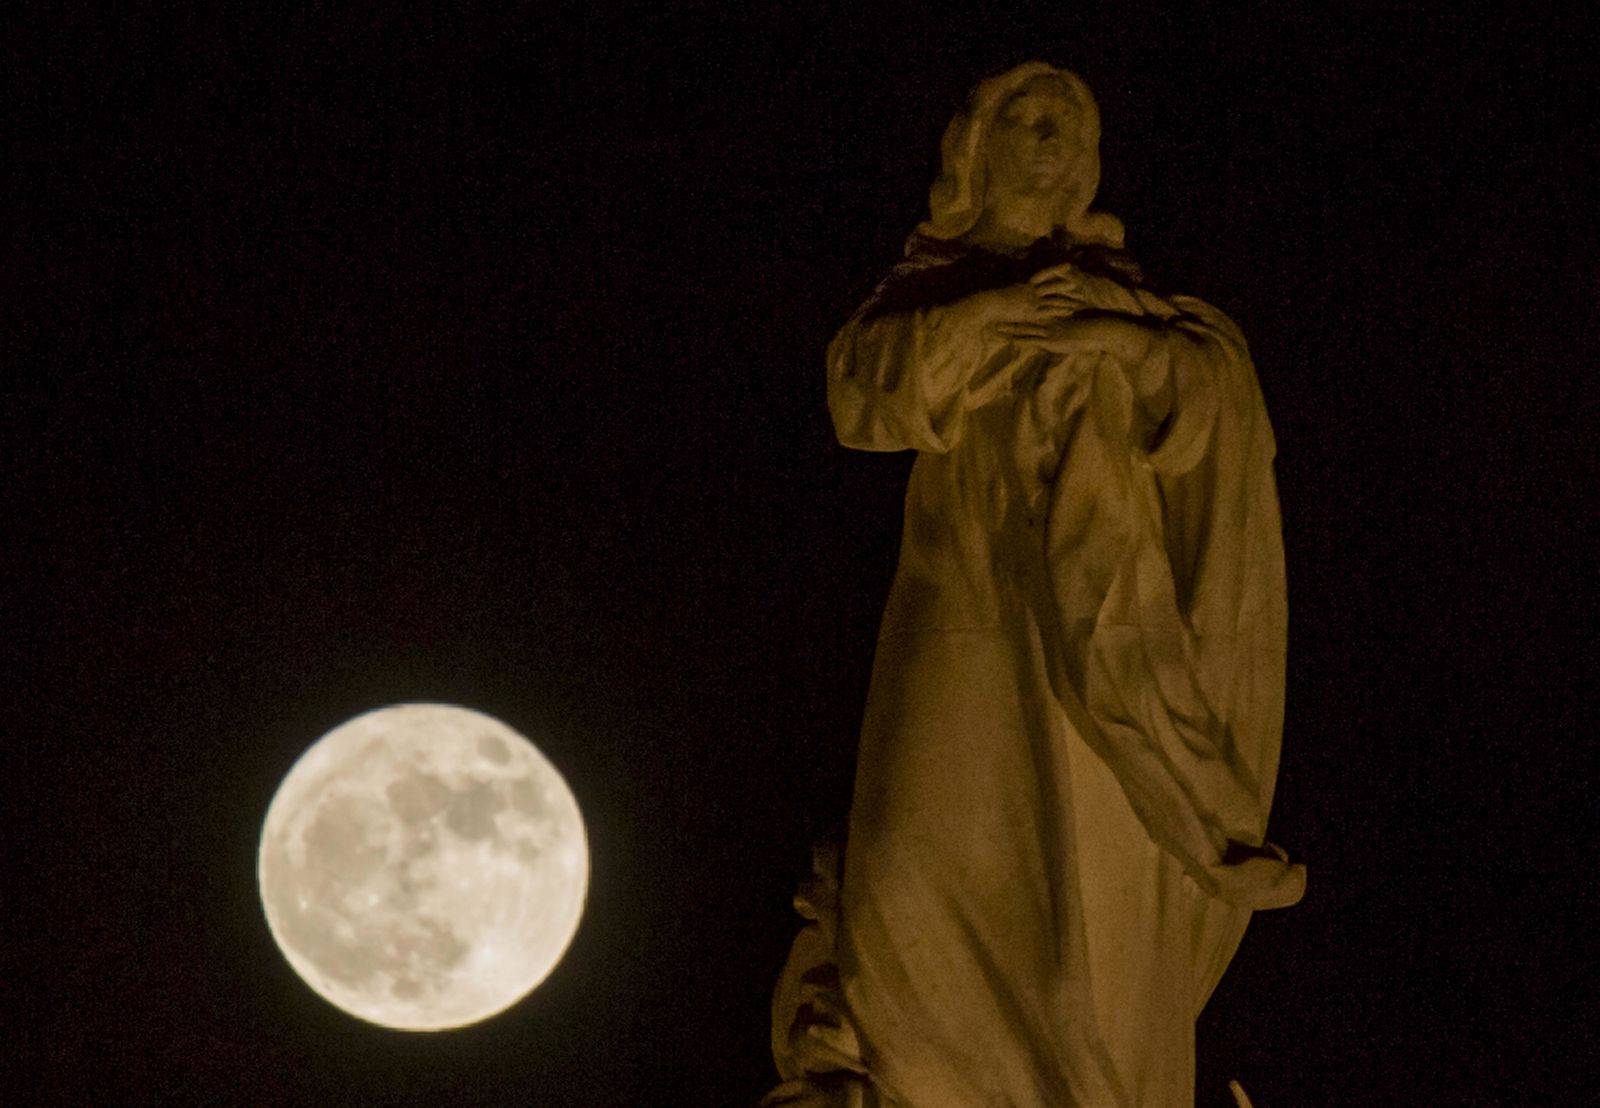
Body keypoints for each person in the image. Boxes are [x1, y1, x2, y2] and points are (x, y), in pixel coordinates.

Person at [765, 63, 1304, 1108]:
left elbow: (1214, 405)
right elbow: (864, 398)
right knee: (909, 868)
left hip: (1109, 636)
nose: (1050, 138)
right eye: (1026, 119)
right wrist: (1000, 315)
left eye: (1071, 126)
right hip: (963, 608)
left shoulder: (1140, 301)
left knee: (1090, 911)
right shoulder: (935, 287)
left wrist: (1118, 344)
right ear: (974, 151)